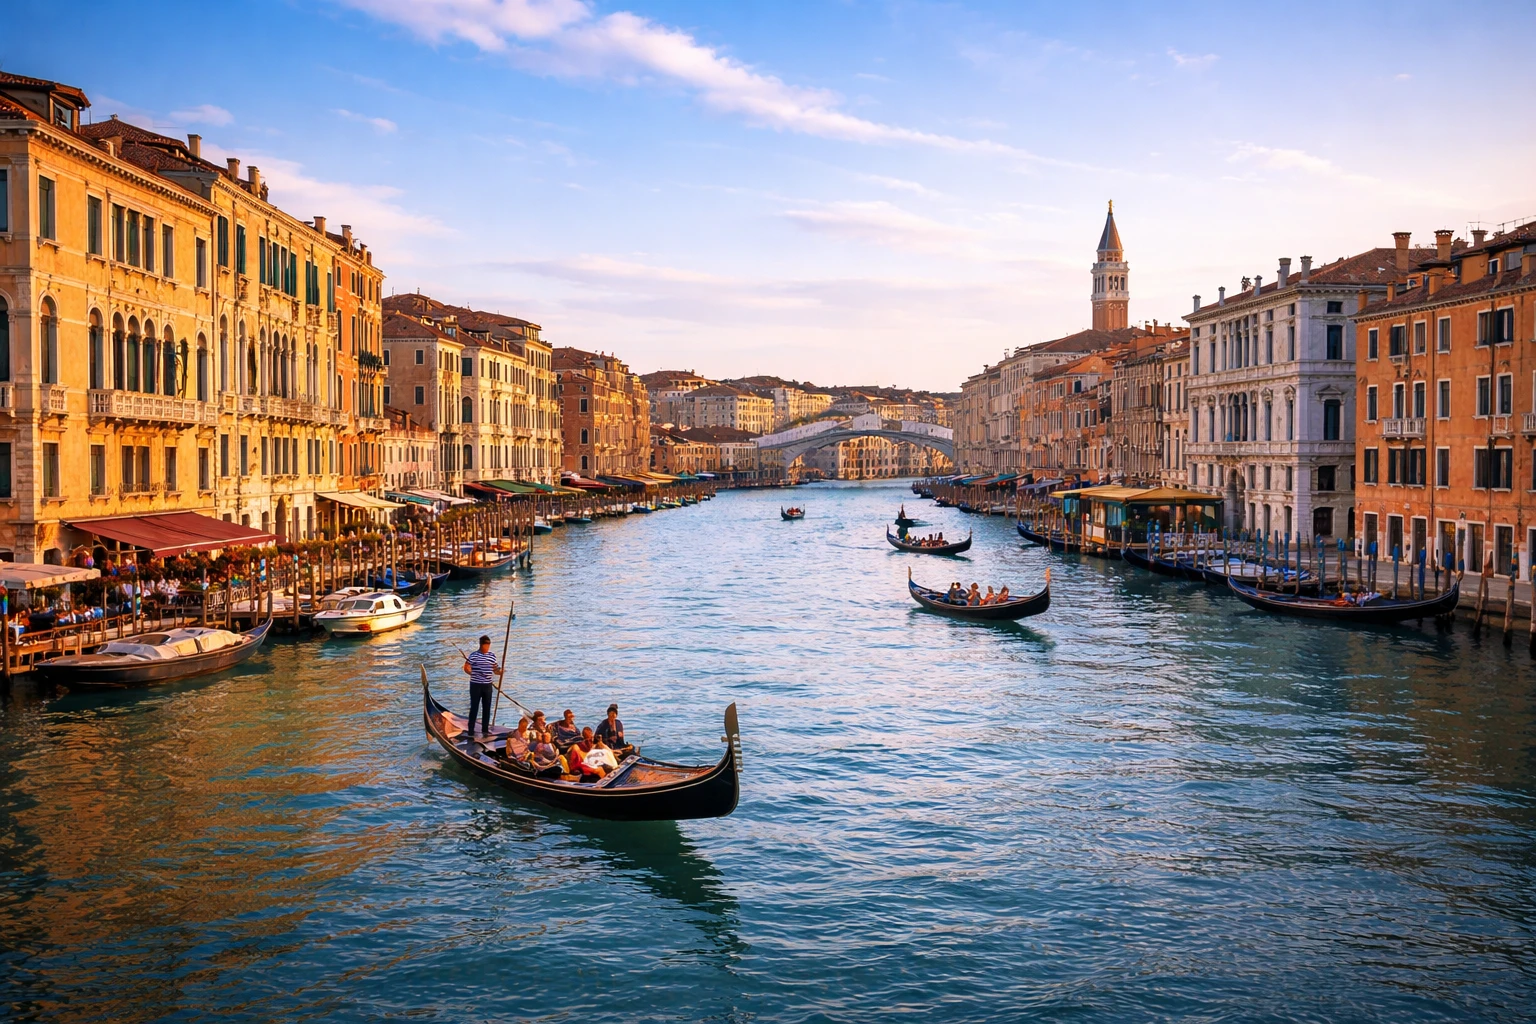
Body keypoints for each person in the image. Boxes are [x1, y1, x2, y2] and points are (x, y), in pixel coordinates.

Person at [461, 634, 503, 739]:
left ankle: (485, 729)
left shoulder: (492, 656)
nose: (487, 647)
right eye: (486, 645)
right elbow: (466, 667)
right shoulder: (474, 655)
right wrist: (472, 674)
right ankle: (471, 730)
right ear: (481, 645)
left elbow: (495, 670)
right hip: (475, 685)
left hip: (487, 686)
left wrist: (500, 672)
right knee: (474, 707)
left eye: (488, 646)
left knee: (487, 708)